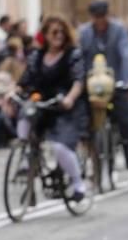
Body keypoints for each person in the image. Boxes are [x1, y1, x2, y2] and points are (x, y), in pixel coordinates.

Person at [15, 16, 89, 201]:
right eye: (54, 32)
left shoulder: (73, 54)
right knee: (25, 115)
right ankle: (25, 155)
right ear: (45, 35)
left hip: (65, 106)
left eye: (62, 32)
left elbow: (78, 80)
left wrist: (70, 98)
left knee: (59, 146)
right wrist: (12, 92)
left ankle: (78, 184)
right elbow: (25, 80)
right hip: (43, 103)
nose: (59, 36)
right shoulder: (36, 56)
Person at [78, 0, 128, 188]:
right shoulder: (85, 33)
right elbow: (81, 57)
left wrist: (126, 80)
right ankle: (92, 169)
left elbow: (125, 55)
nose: (99, 21)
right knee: (88, 126)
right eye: (96, 17)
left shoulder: (119, 31)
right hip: (94, 87)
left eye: (102, 16)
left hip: (117, 85)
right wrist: (81, 81)